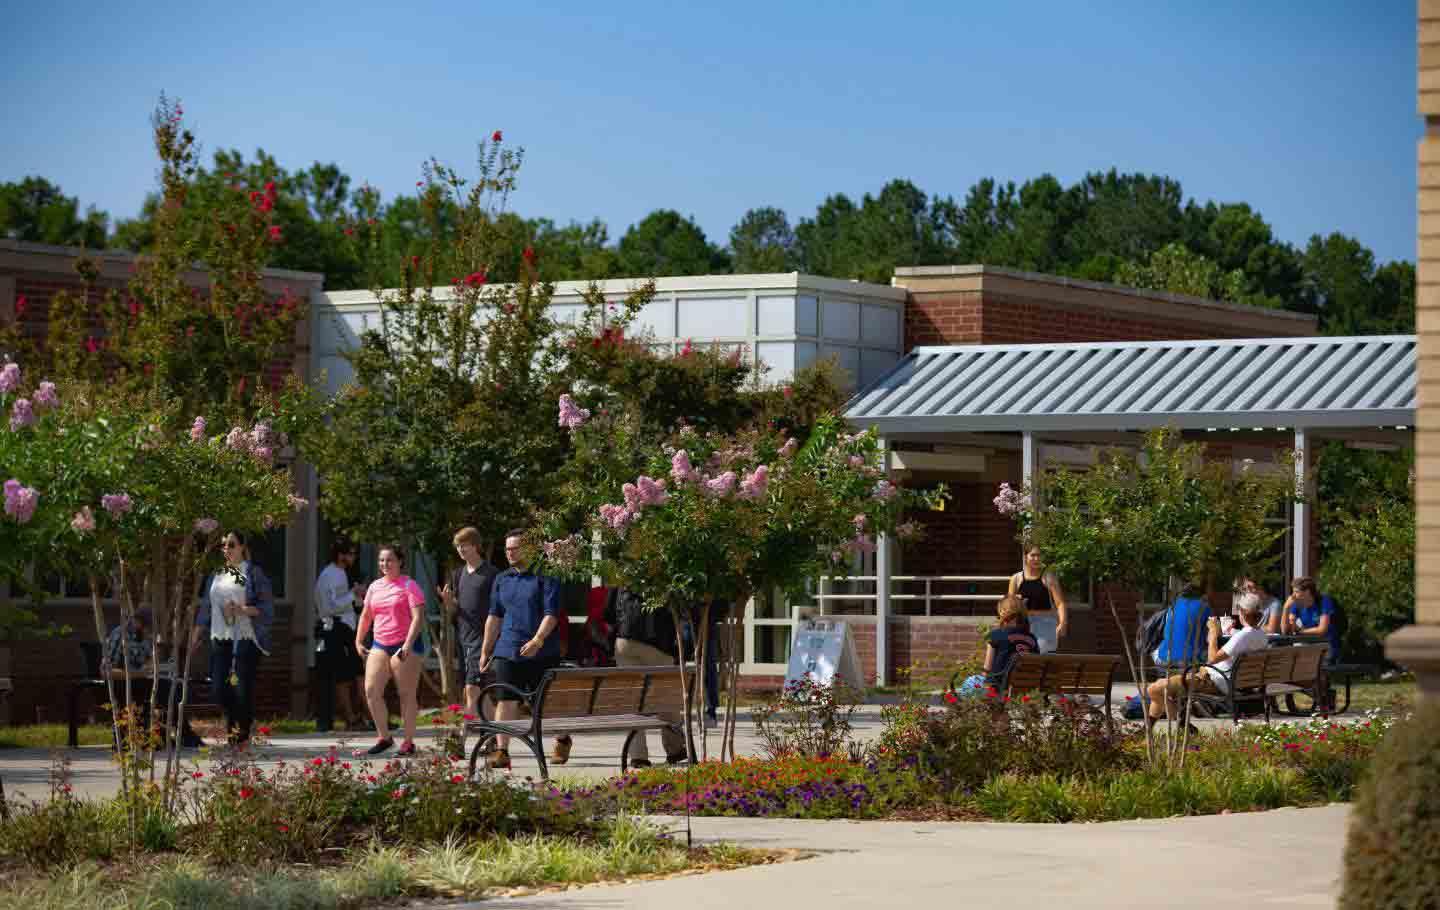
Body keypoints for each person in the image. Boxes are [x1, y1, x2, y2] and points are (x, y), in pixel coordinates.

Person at [478, 529, 573, 770]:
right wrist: (486, 650)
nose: (510, 552)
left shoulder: (546, 576)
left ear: (529, 549)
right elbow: (494, 616)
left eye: (515, 548)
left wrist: (538, 640)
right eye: (507, 548)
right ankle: (502, 750)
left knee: (546, 703)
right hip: (508, 649)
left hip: (543, 651)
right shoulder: (502, 579)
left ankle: (562, 738)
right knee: (505, 700)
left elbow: (551, 615)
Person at [191, 530, 274, 747]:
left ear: (242, 548)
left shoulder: (253, 573)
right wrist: (196, 635)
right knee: (219, 688)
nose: (226, 549)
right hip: (220, 635)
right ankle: (236, 723)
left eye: (231, 544)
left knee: (240, 686)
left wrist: (242, 609)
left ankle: (239, 735)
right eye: (223, 545)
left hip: (246, 636)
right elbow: (206, 609)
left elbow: (267, 609)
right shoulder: (217, 574)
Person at [1146, 592, 1270, 727]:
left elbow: (1212, 659)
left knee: (1154, 689)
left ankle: (1183, 725)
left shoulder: (1242, 637)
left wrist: (1212, 635)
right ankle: (1147, 731)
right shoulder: (1261, 636)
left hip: (1213, 681)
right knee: (1160, 686)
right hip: (1233, 681)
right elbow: (1241, 642)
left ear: (1243, 612)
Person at [355, 544, 426, 756]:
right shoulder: (375, 587)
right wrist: (358, 641)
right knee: (371, 691)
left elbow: (418, 618)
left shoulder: (409, 585)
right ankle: (385, 737)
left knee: (406, 694)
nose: (385, 564)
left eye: (390, 560)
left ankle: (408, 742)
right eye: (381, 561)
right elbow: (366, 615)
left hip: (405, 644)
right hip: (380, 643)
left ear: (400, 562)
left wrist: (407, 645)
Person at [605, 587, 686, 767]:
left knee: (633, 700)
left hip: (625, 642)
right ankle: (675, 749)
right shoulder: (665, 578)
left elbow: (609, 615)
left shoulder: (624, 578)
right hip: (658, 643)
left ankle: (638, 756)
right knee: (665, 697)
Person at [104, 608, 203, 748]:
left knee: (169, 688)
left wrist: (153, 663)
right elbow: (106, 671)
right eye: (147, 627)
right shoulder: (119, 635)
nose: (148, 632)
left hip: (139, 682)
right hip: (120, 684)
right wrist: (137, 673)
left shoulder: (144, 637)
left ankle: (182, 734)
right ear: (137, 622)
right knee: (162, 689)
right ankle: (165, 735)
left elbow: (147, 662)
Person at [439, 527, 500, 719]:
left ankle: (461, 738)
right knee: (478, 691)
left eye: (463, 545)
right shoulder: (458, 574)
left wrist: (491, 642)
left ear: (475, 546)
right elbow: (456, 611)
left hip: (482, 639)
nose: (460, 550)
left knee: (472, 689)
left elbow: (499, 610)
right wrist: (448, 603)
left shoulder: (491, 574)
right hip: (463, 639)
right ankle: (491, 735)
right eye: (457, 546)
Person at [313, 539, 367, 732]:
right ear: (341, 555)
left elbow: (349, 604)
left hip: (347, 628)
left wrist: (358, 597)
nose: (354, 558)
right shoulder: (328, 575)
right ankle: (338, 719)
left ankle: (361, 716)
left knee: (354, 672)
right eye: (350, 554)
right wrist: (353, 595)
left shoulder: (343, 573)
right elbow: (329, 607)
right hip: (333, 629)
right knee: (336, 675)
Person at [1007, 545, 1068, 651]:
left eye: (1039, 555)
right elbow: (1009, 605)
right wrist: (1017, 602)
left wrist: (1062, 623)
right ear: (1025, 557)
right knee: (1023, 660)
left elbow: (1060, 603)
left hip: (1045, 623)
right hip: (1024, 624)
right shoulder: (1016, 578)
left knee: (1044, 659)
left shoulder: (1049, 577)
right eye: (1033, 555)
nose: (1036, 559)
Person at [1282, 577, 1343, 665]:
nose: (1293, 595)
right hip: (1310, 644)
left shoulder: (1324, 601)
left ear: (1307, 592)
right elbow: (1285, 630)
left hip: (1327, 645)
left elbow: (1322, 630)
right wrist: (1286, 608)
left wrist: (1301, 631)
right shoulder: (1297, 603)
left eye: (1296, 592)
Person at [1153, 583, 1210, 668]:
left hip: (1164, 658)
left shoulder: (1172, 606)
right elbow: (1211, 634)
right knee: (1213, 655)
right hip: (1191, 661)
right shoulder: (1204, 607)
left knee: (1156, 651)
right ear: (1202, 596)